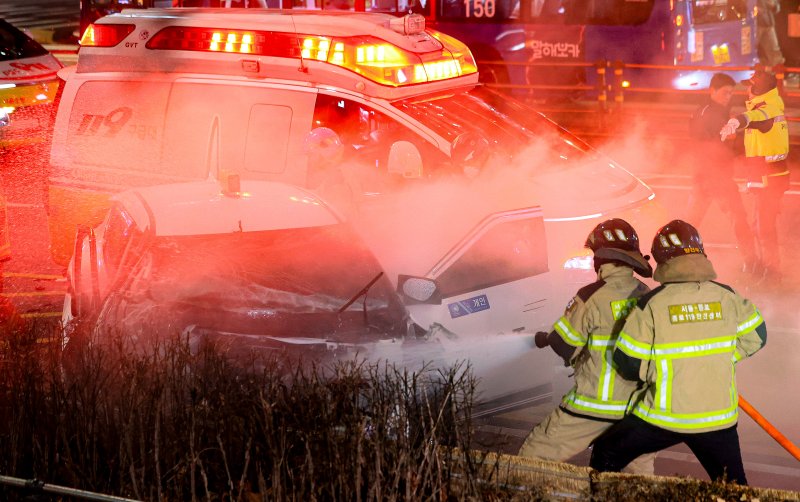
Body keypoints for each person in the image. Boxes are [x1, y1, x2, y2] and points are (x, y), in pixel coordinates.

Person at [589, 220, 767, 485]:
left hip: (664, 416)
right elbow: (757, 336)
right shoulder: (727, 296)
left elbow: (627, 361)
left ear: (660, 259)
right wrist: (719, 360)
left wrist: (663, 369)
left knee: (605, 452)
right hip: (717, 418)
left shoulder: (651, 304)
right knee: (734, 485)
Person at [518, 218, 656, 474]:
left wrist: (550, 336)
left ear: (602, 257)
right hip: (637, 412)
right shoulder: (647, 294)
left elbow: (565, 345)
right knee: (638, 484)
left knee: (530, 460)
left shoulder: (591, 295)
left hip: (592, 407)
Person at [720, 70, 790, 283]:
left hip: (771, 179)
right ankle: (767, 267)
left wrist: (737, 120)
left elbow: (755, 118)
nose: (747, 90)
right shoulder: (765, 107)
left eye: (750, 86)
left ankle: (773, 271)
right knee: (761, 224)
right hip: (766, 178)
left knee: (763, 226)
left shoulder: (767, 109)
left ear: (759, 89)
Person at [687, 73, 757, 273]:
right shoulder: (709, 113)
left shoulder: (712, 111)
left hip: (707, 175)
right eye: (725, 92)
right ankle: (752, 262)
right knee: (738, 217)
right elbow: (711, 145)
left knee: (693, 222)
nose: (729, 96)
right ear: (712, 91)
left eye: (731, 93)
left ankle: (677, 257)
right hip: (714, 176)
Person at [756, 0, 786, 68]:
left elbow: (776, 7)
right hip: (753, 23)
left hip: (768, 23)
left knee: (774, 52)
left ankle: (777, 74)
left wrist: (773, 5)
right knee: (749, 52)